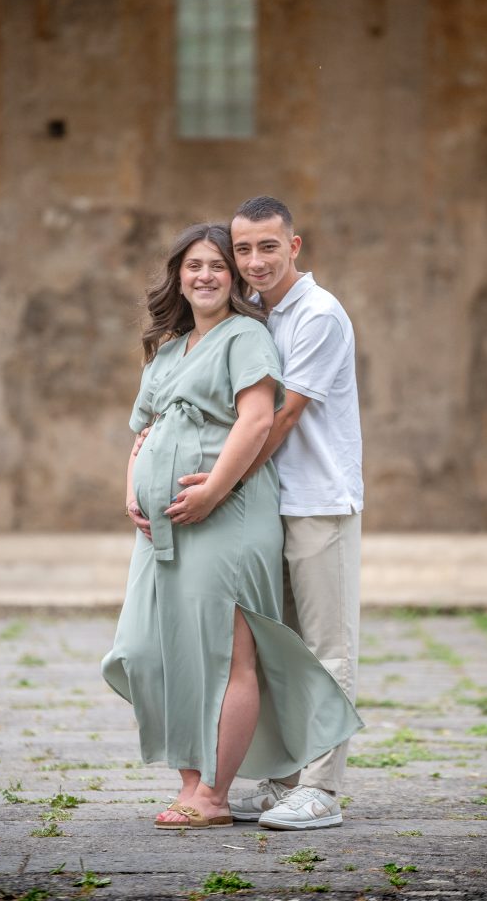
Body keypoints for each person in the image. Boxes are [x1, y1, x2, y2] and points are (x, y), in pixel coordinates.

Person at [101, 222, 362, 830]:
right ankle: (202, 785)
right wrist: (135, 490)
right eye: (196, 264)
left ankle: (262, 792)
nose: (209, 274)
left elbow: (266, 419)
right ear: (178, 275)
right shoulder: (170, 348)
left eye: (221, 263)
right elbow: (145, 429)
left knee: (253, 649)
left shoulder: (260, 332)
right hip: (169, 524)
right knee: (155, 650)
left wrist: (216, 488)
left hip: (261, 508)